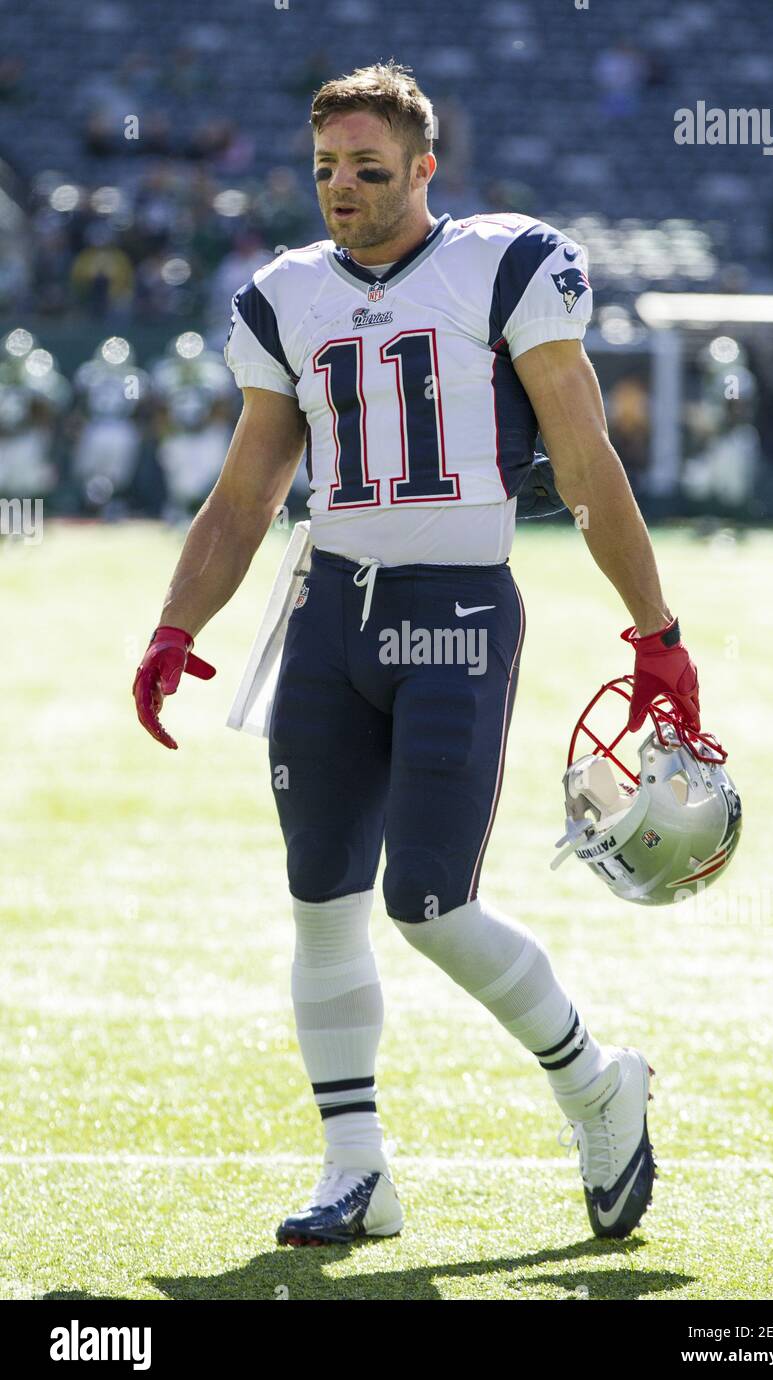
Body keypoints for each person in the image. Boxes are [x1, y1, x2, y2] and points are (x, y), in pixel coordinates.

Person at [133, 61, 700, 1246]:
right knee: (319, 903)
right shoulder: (284, 294)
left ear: (425, 168)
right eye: (327, 168)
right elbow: (245, 494)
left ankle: (596, 1083)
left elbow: (587, 464)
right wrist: (176, 623)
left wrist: (654, 630)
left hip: (455, 614)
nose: (342, 188)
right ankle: (357, 1170)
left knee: (430, 900)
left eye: (368, 169)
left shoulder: (502, 266)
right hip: (330, 614)